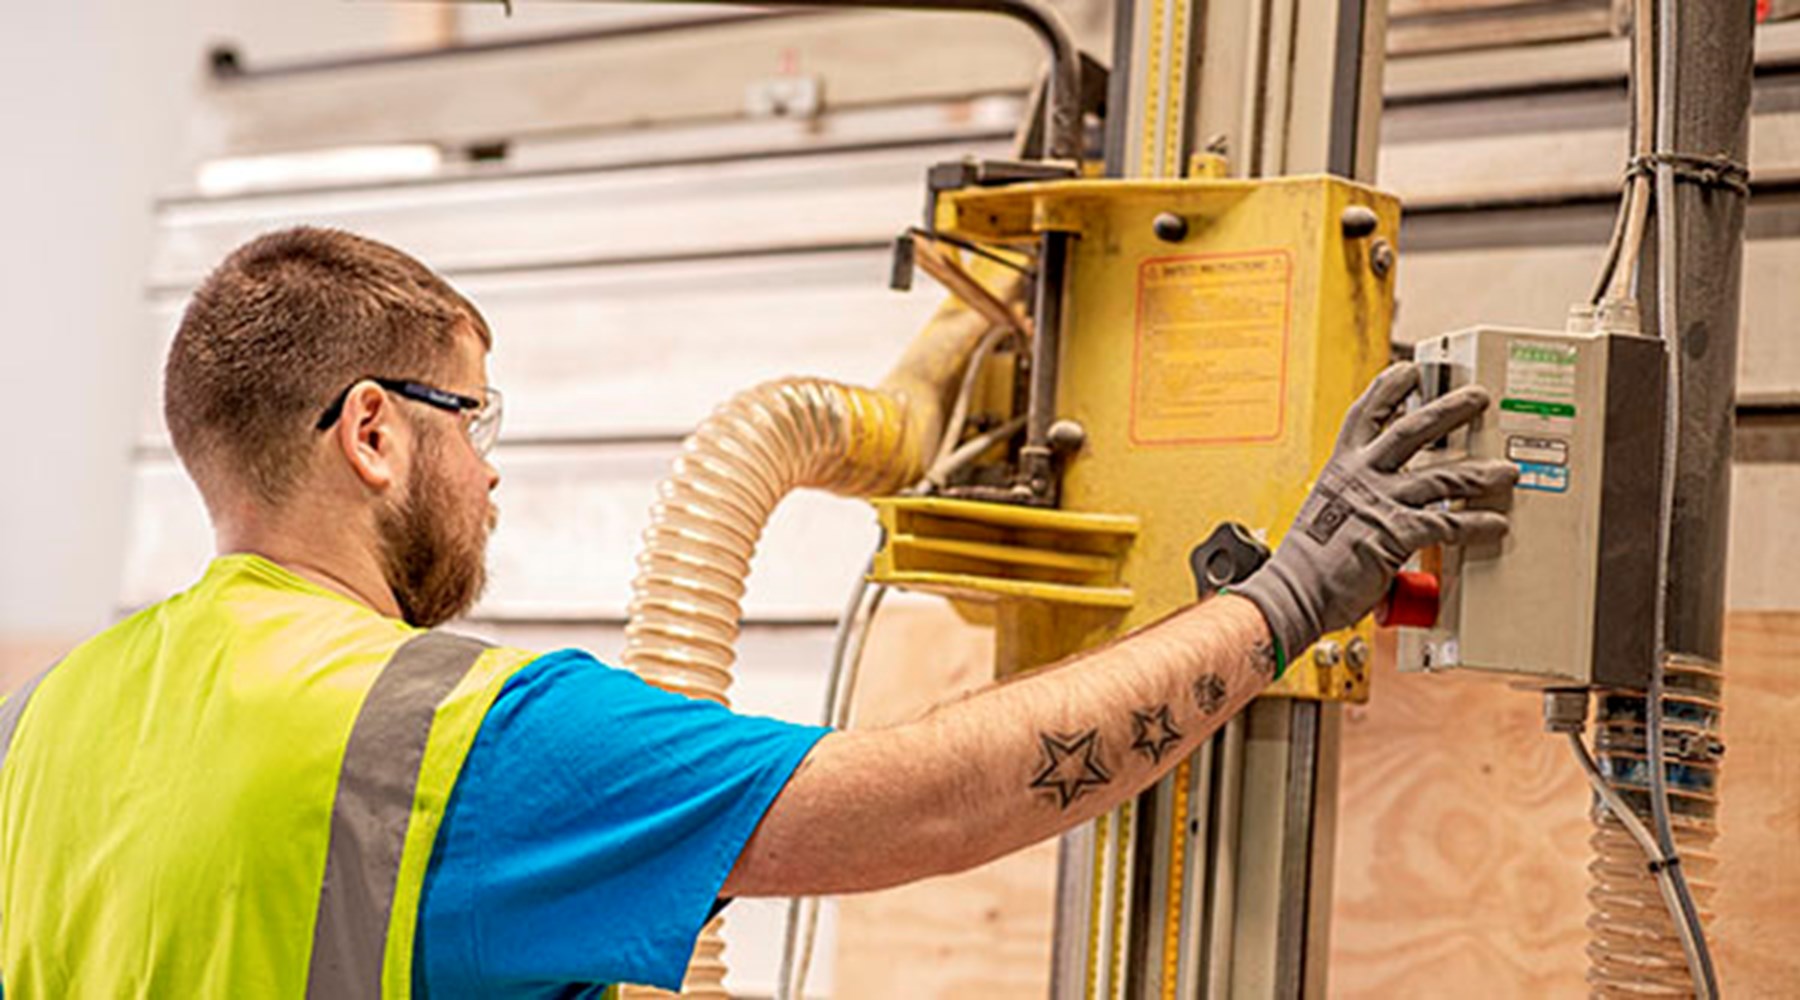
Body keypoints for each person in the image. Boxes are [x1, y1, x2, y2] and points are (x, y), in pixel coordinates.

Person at [0, 227, 1515, 998]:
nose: (491, 468)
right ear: (376, 433)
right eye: (475, 416)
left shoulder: (49, 724)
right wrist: (1288, 599)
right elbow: (925, 801)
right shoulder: (440, 738)